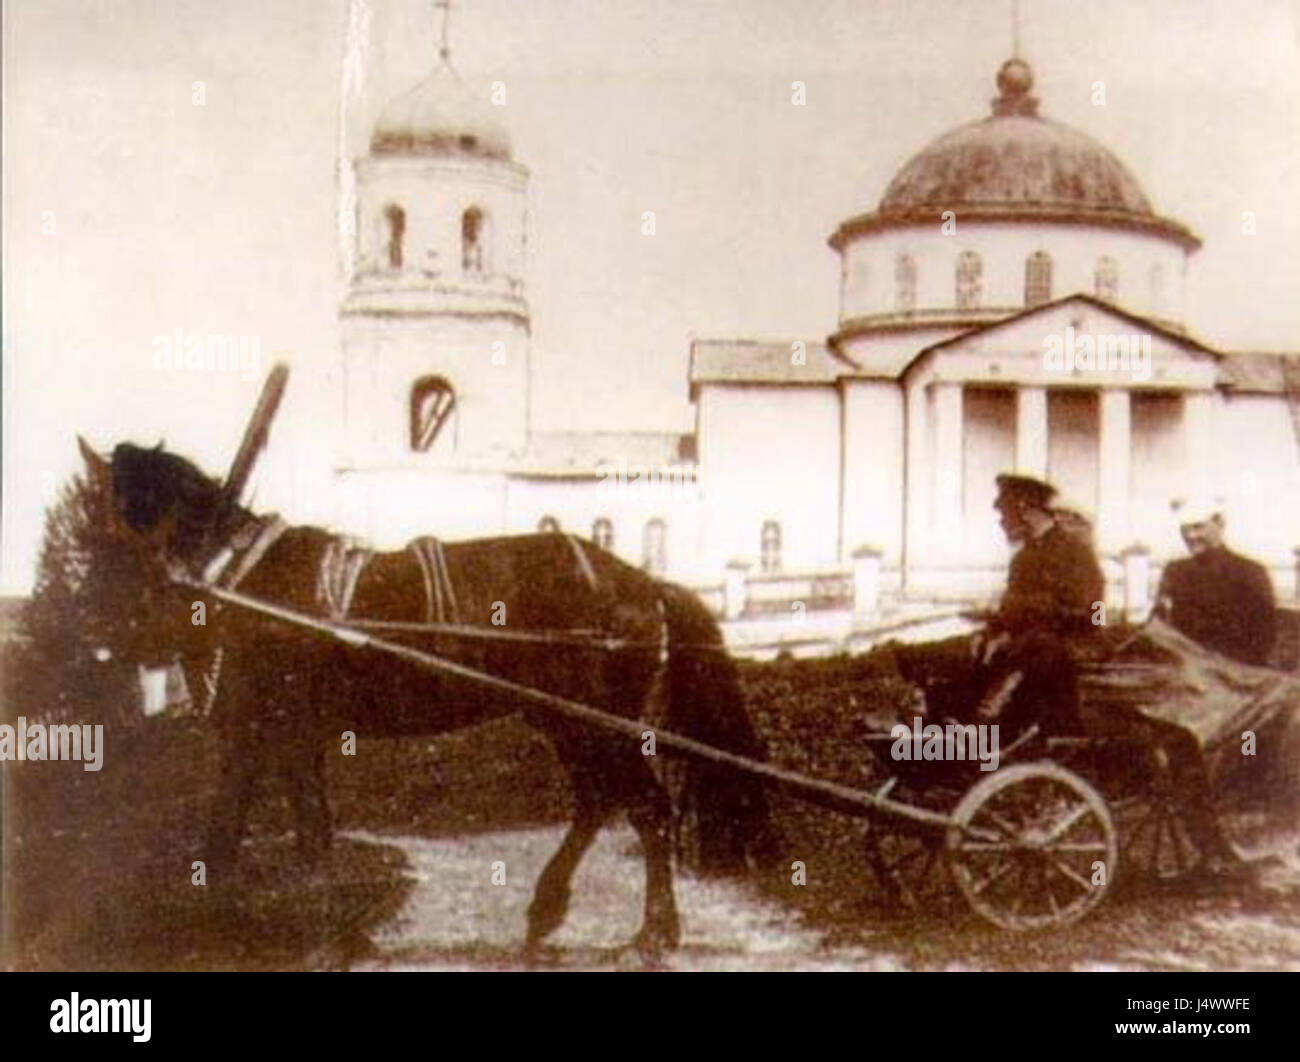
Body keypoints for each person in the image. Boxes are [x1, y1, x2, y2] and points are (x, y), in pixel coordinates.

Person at [1153, 497, 1276, 667]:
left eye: (1198, 527)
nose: (1190, 536)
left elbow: (1263, 639)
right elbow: (1159, 625)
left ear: (1220, 523)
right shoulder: (1175, 572)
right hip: (1182, 672)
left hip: (1234, 674)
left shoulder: (1251, 573)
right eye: (1184, 529)